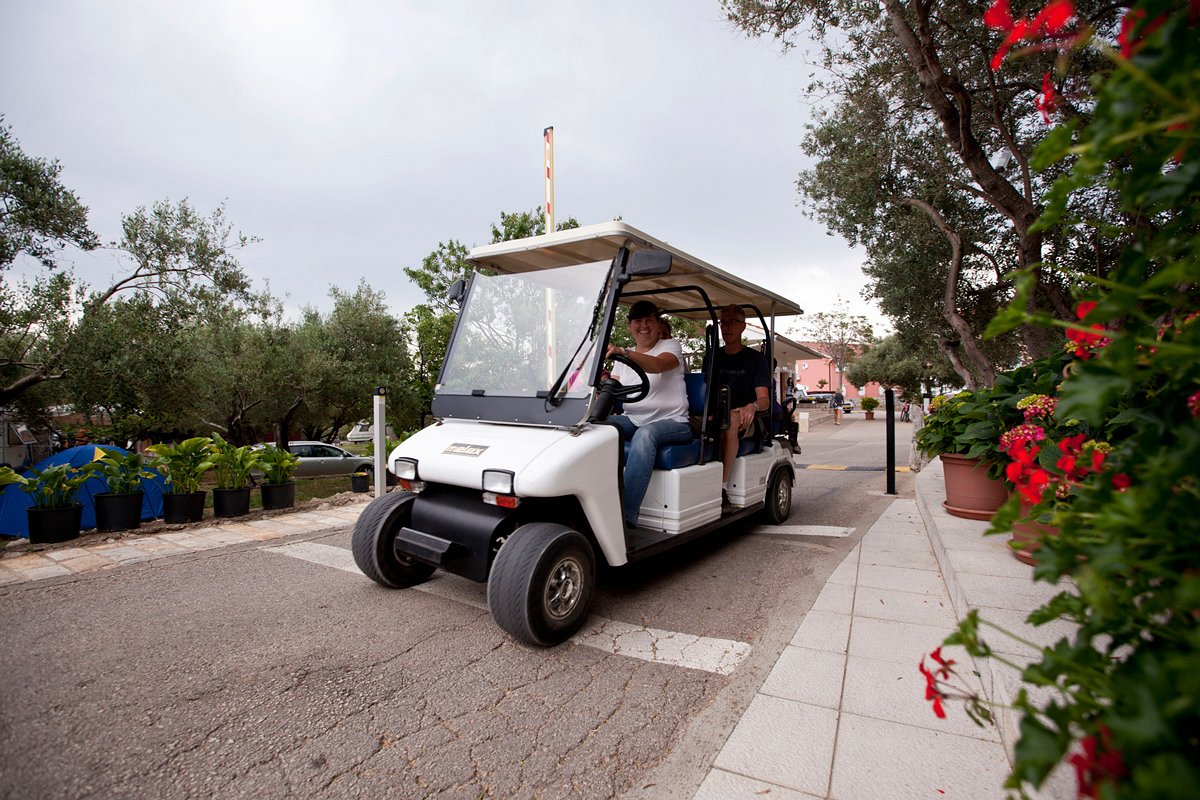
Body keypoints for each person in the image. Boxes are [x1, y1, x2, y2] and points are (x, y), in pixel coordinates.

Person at [606, 300, 692, 528]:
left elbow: (657, 365)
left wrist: (624, 352)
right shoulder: (623, 358)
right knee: (593, 425)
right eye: (638, 321)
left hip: (673, 422)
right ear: (630, 327)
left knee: (645, 434)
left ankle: (624, 518)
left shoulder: (670, 346)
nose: (643, 326)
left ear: (657, 324)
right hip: (633, 419)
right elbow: (612, 388)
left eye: (649, 320)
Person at [713, 304, 770, 509]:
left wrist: (751, 407)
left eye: (731, 322)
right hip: (715, 413)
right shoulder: (712, 357)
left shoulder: (755, 359)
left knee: (730, 420)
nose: (726, 327)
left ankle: (721, 489)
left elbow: (764, 399)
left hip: (744, 417)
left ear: (743, 326)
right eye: (723, 323)